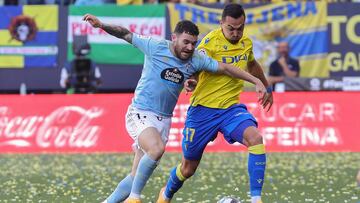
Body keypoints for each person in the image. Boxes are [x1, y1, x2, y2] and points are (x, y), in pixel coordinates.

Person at [83, 14, 266, 203]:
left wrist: (255, 80)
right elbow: (125, 34)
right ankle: (134, 199)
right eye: (186, 42)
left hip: (164, 119)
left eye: (193, 43)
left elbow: (226, 68)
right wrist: (102, 24)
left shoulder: (196, 59)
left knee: (135, 176)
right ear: (174, 38)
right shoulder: (154, 46)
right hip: (140, 112)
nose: (189, 47)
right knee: (156, 150)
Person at [157, 4, 273, 203]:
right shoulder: (208, 43)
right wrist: (192, 80)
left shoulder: (246, 43)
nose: (236, 33)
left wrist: (266, 86)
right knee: (188, 168)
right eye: (231, 28)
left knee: (255, 139)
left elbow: (252, 64)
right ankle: (165, 194)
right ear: (221, 24)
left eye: (240, 28)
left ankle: (256, 199)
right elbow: (194, 65)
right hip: (202, 111)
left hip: (230, 110)